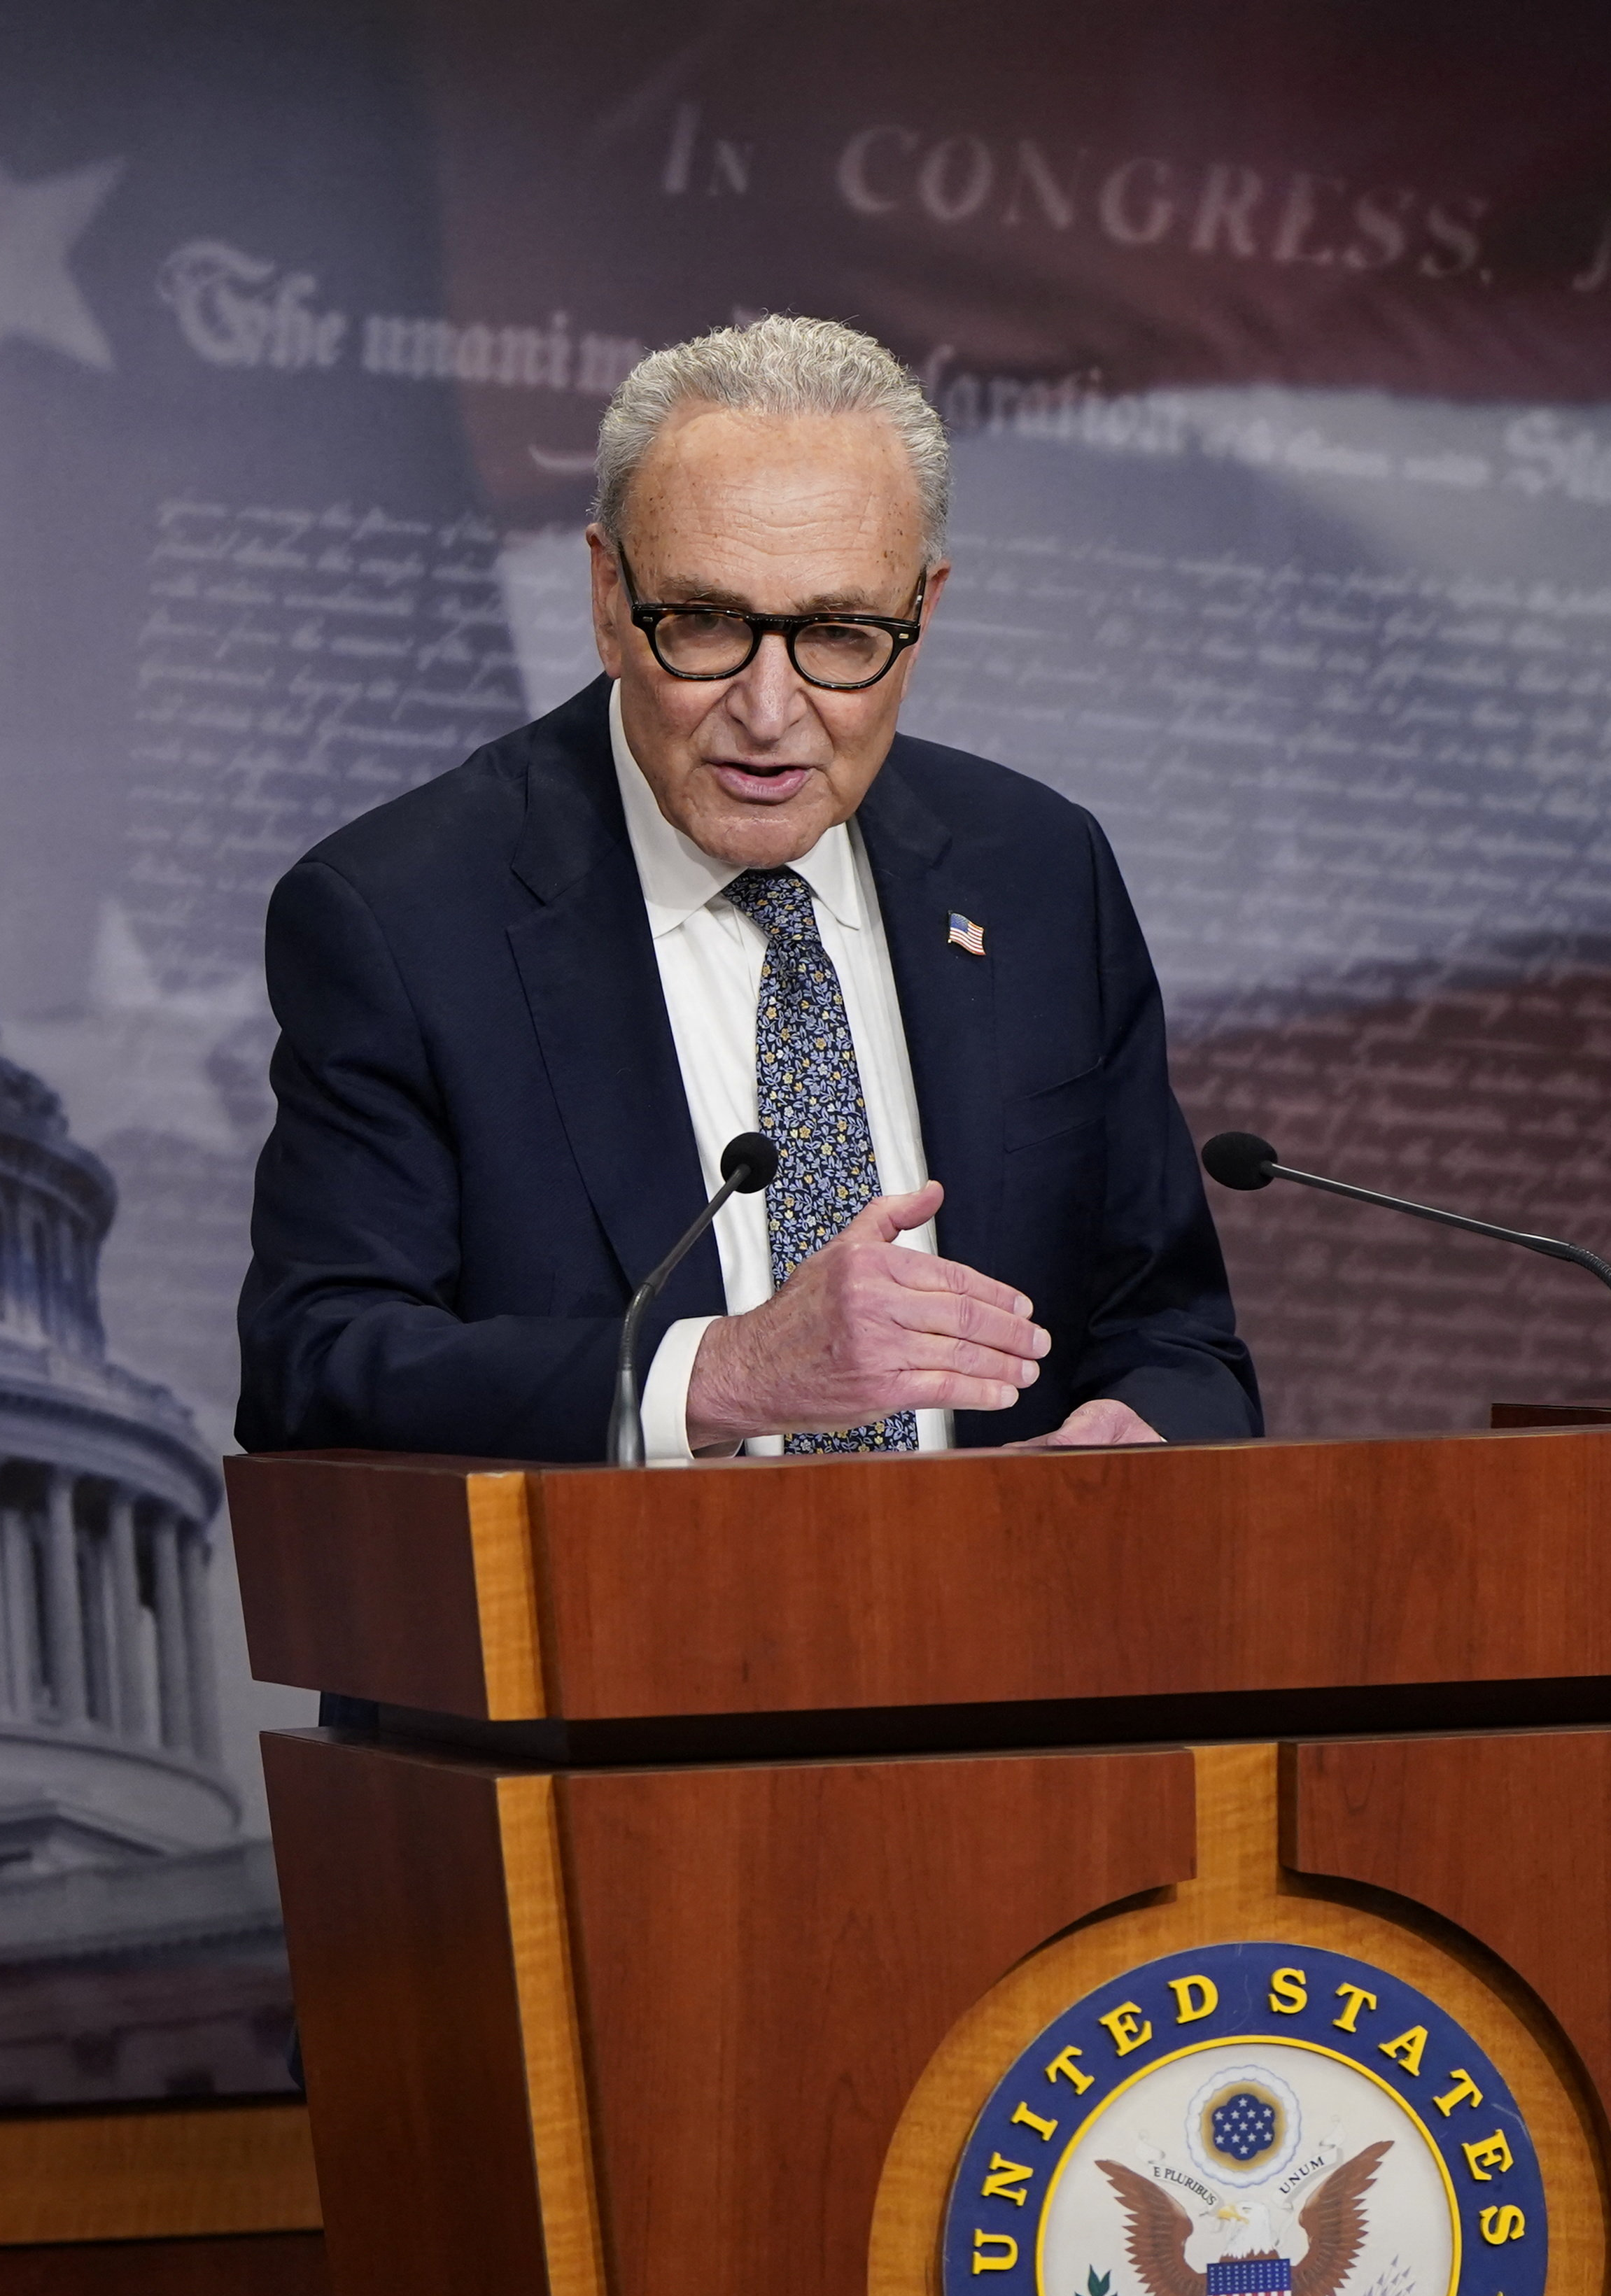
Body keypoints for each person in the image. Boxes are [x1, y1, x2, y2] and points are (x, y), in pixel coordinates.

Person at [236, 316, 1257, 1464]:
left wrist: (1139, 1443)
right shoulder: (405, 916)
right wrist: (721, 1374)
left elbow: (1173, 1332)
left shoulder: (1036, 872)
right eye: (710, 623)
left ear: (921, 617)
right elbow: (317, 1363)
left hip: (1007, 1625)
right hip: (631, 1632)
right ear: (609, 597)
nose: (770, 712)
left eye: (837, 632)